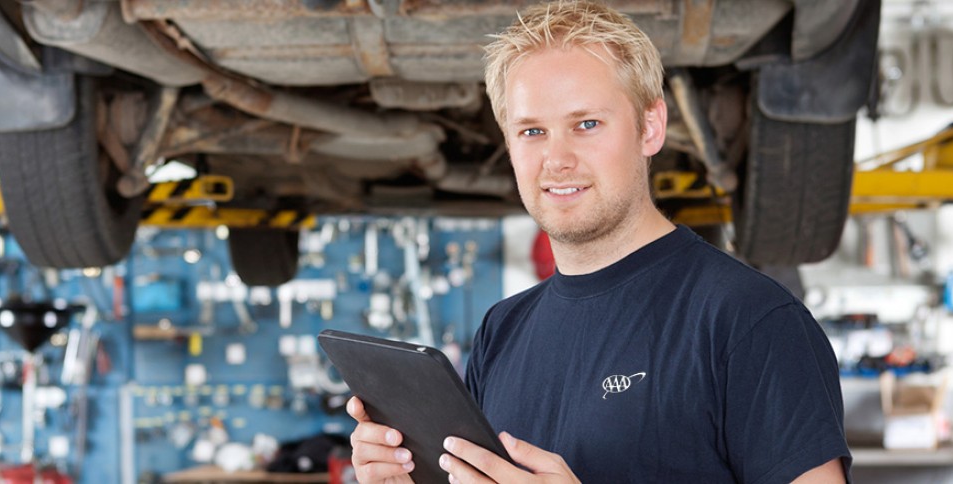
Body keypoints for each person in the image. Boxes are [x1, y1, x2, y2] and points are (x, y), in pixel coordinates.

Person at [347, 1, 851, 482]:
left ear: (650, 127)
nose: (557, 158)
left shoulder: (748, 320)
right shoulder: (503, 330)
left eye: (586, 124)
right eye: (532, 131)